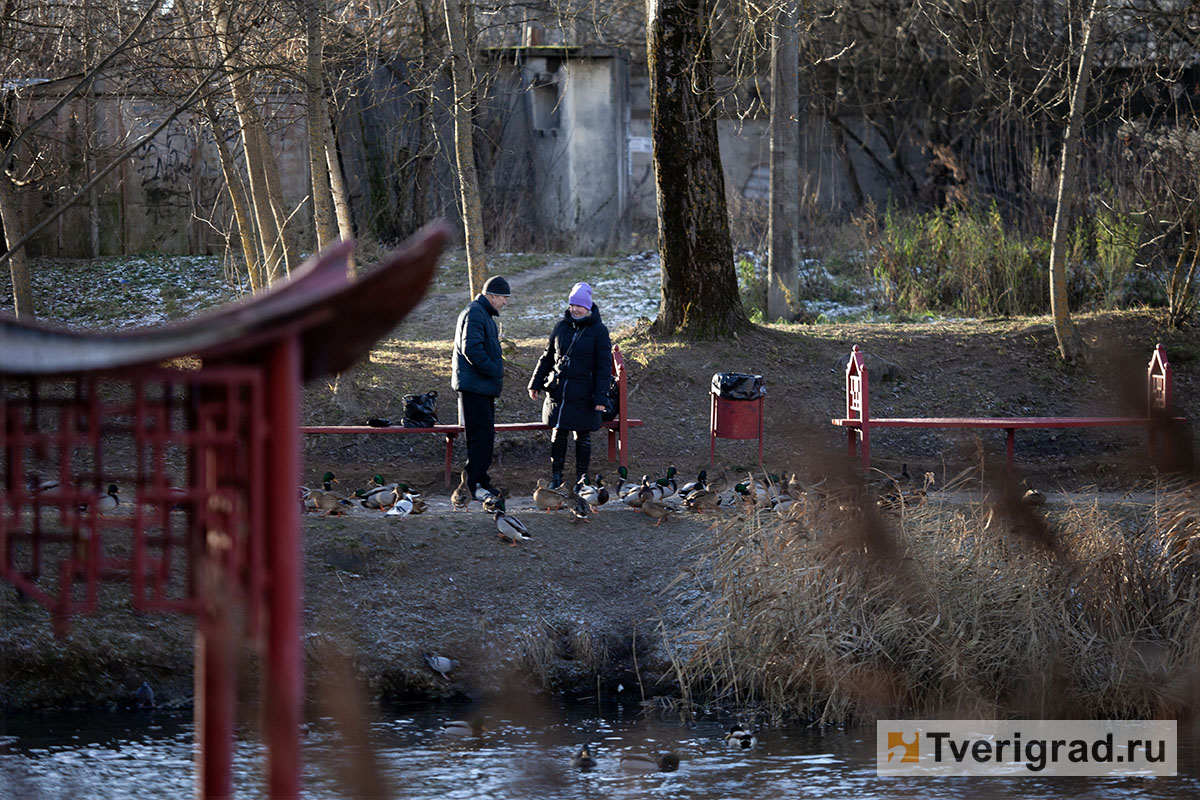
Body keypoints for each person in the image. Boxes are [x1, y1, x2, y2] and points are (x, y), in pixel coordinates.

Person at [528, 282, 612, 490]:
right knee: (559, 432)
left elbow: (604, 367)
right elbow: (547, 357)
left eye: (580, 306)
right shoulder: (561, 327)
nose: (575, 309)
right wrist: (535, 383)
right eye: (572, 304)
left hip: (585, 393)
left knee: (583, 436)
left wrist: (601, 398)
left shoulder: (599, 331)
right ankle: (557, 478)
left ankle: (581, 480)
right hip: (560, 393)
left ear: (588, 307)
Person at [452, 275, 509, 500]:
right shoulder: (476, 313)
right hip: (475, 386)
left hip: (480, 386)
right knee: (480, 436)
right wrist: (494, 370)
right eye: (504, 297)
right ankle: (474, 485)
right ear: (492, 295)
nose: (506, 303)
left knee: (485, 436)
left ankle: (481, 480)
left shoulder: (482, 314)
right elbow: (472, 349)